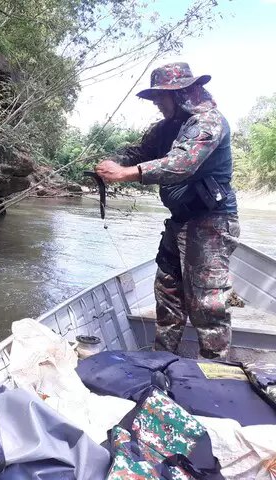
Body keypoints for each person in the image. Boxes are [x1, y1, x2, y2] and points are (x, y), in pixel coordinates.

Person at [94, 62, 240, 359]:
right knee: (168, 291)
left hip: (211, 223)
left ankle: (217, 373)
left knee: (207, 303)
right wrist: (110, 163)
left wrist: (126, 173)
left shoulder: (208, 123)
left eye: (161, 97)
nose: (157, 104)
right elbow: (138, 153)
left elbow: (181, 163)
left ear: (182, 93)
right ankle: (162, 362)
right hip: (180, 223)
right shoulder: (166, 128)